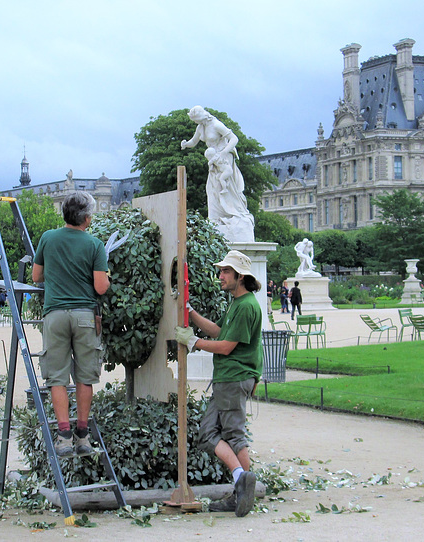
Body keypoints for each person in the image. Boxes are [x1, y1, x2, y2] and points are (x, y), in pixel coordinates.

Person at [175, 250, 262, 517]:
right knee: (208, 434)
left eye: (226, 271)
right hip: (228, 378)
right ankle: (241, 483)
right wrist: (191, 314)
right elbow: (219, 331)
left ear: (240, 276)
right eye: (222, 270)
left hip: (233, 377)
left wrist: (193, 343)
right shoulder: (239, 303)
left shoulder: (246, 306)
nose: (220, 275)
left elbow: (225, 346)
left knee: (235, 437)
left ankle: (242, 491)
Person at [32, 191, 110, 457]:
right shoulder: (95, 244)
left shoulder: (48, 238)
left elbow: (36, 276)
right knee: (85, 376)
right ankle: (83, 435)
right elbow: (100, 287)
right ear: (86, 218)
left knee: (57, 377)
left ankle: (63, 435)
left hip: (54, 315)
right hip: (84, 316)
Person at [181, 106, 255, 242]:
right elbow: (194, 141)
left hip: (223, 157)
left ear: (201, 116)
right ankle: (216, 217)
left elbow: (234, 139)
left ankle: (233, 212)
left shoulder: (216, 124)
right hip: (213, 158)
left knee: (225, 187)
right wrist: (186, 144)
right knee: (212, 188)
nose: (196, 123)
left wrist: (224, 152)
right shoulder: (201, 127)